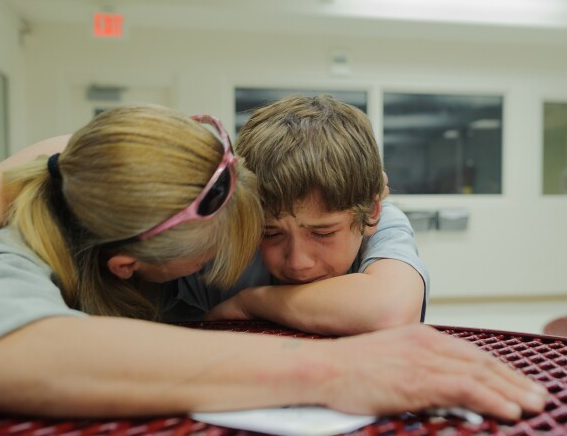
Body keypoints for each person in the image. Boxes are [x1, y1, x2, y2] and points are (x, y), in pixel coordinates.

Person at [0, 104, 547, 422]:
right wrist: (331, 369)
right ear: (128, 266)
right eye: (239, 235)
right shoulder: (21, 247)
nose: (261, 246)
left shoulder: (232, 197)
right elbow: (3, 356)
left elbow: (68, 148)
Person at [171, 95, 428, 336]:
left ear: (371, 213)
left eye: (322, 233)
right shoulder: (231, 232)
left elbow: (392, 310)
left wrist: (250, 302)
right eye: (270, 233)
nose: (297, 262)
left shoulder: (385, 222)